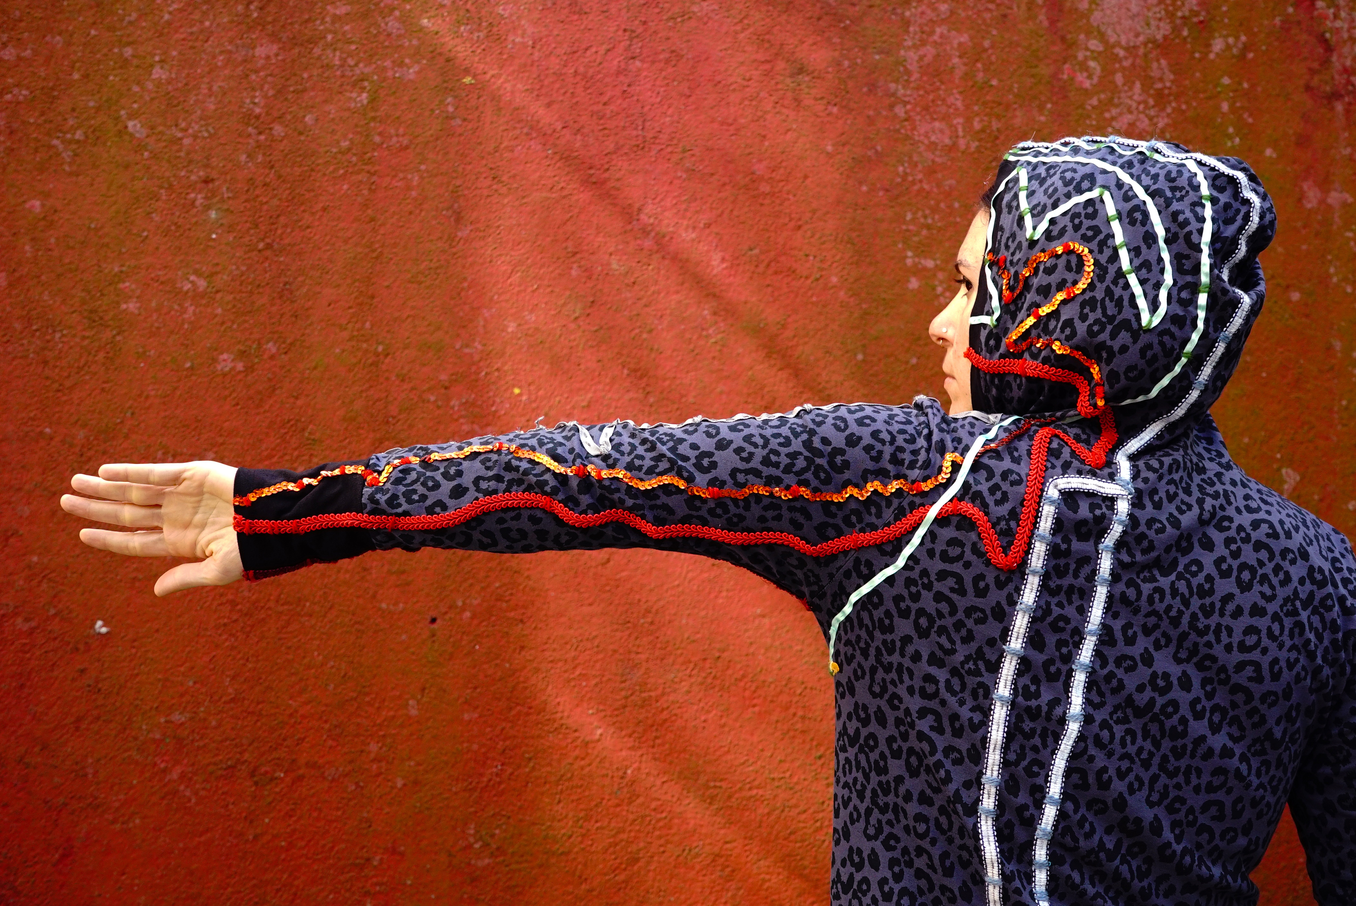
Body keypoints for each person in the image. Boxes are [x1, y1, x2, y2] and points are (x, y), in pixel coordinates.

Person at [61, 136, 1356, 906]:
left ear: (1061, 303)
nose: (942, 323)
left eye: (977, 284)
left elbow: (578, 475)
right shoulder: (1315, 572)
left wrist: (285, 513)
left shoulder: (910, 482)